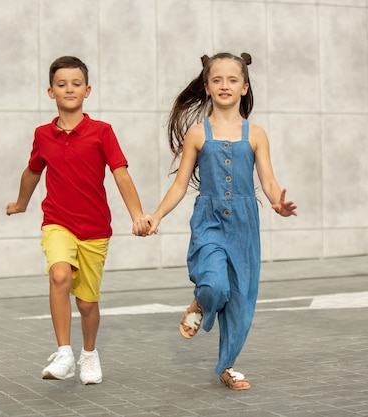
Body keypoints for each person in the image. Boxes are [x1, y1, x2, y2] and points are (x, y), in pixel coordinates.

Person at [137, 52, 297, 390]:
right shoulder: (197, 133)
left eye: (232, 80)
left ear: (245, 87)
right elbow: (180, 185)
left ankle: (228, 366)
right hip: (209, 221)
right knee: (214, 286)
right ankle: (201, 299)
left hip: (244, 224)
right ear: (207, 87)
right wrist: (156, 215)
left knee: (240, 297)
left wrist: (277, 203)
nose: (225, 85)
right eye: (217, 79)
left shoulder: (256, 134)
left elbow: (268, 180)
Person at [6, 56, 148, 385]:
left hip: (95, 229)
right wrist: (21, 203)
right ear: (50, 92)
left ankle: (89, 353)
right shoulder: (43, 135)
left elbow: (121, 174)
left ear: (87, 90)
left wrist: (138, 215)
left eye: (75, 84)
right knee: (59, 275)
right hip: (57, 221)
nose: (68, 88)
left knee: (86, 304)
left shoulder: (102, 132)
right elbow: (32, 171)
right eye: (61, 84)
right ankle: (64, 353)